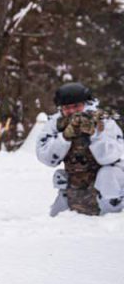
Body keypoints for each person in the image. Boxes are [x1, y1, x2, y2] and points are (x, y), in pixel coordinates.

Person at [36, 82, 124, 216]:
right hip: (76, 184)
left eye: (76, 106)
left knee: (109, 173)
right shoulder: (55, 124)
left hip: (107, 185)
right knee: (56, 220)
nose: (72, 111)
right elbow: (46, 158)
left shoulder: (103, 121)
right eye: (66, 108)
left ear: (86, 104)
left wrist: (94, 135)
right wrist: (64, 138)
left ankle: (113, 214)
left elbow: (111, 156)